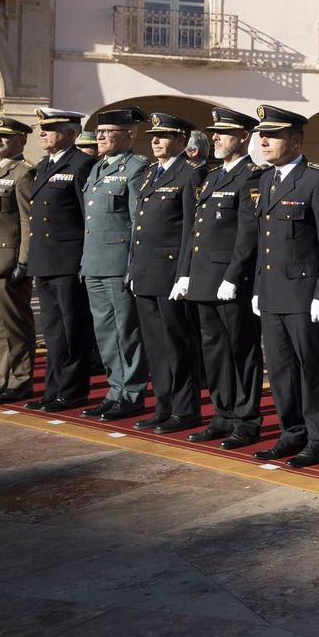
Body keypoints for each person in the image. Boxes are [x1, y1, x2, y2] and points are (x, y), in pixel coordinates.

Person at [241, 105, 319, 468]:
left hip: (304, 293)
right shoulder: (267, 180)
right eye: (261, 135)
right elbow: (264, 239)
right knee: (281, 368)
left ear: (296, 140)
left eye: (273, 135)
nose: (264, 141)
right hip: (271, 292)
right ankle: (291, 431)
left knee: (311, 366)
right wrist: (257, 287)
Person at [174, 107, 265, 450]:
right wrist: (185, 274)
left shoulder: (252, 176)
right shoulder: (212, 177)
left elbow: (247, 234)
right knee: (214, 351)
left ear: (243, 137)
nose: (215, 137)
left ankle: (246, 419)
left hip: (230, 282)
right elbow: (195, 231)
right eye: (214, 132)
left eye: (223, 133)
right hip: (203, 278)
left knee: (241, 350)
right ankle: (222, 414)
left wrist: (233, 276)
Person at [128, 113, 206, 434]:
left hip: (171, 273)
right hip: (146, 272)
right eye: (153, 136)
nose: (155, 140)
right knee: (156, 347)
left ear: (181, 140)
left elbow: (191, 229)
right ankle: (164, 406)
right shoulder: (149, 174)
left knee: (178, 344)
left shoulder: (191, 173)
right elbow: (139, 227)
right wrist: (132, 267)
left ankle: (185, 409)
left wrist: (184, 274)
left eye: (164, 136)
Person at [80, 107, 153, 422]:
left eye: (108, 131)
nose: (100, 136)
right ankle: (115, 391)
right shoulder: (97, 169)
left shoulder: (136, 168)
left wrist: (133, 267)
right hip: (94, 262)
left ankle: (132, 394)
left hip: (118, 263)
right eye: (99, 131)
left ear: (130, 134)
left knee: (127, 332)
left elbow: (138, 223)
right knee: (105, 333)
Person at [21, 108, 97, 412]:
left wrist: (83, 261)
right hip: (45, 259)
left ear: (70, 134)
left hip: (68, 260)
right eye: (42, 129)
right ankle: (53, 390)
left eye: (49, 129)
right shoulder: (44, 165)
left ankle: (72, 390)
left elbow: (87, 218)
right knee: (53, 332)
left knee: (72, 329)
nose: (42, 134)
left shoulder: (81, 164)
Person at [0, 116, 37, 404]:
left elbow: (28, 222)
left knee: (15, 325)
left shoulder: (24, 173)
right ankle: (3, 377)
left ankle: (21, 379)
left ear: (21, 141)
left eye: (5, 136)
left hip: (6, 262)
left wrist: (24, 262)